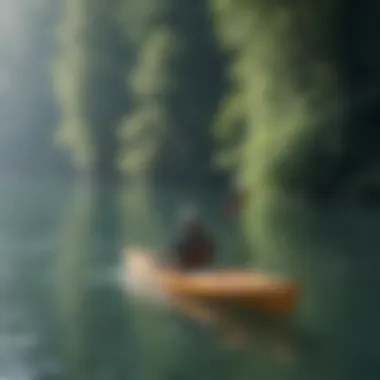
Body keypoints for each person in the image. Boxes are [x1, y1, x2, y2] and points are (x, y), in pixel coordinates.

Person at [168, 206, 214, 271]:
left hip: (201, 270)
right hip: (187, 270)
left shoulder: (206, 240)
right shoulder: (180, 243)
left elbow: (210, 257)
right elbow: (174, 259)